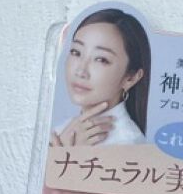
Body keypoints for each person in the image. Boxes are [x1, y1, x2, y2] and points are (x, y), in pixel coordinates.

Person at [52, 8, 151, 148]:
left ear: (131, 78)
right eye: (76, 52)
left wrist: (70, 157)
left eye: (101, 59)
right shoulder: (63, 132)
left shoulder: (128, 144)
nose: (81, 71)